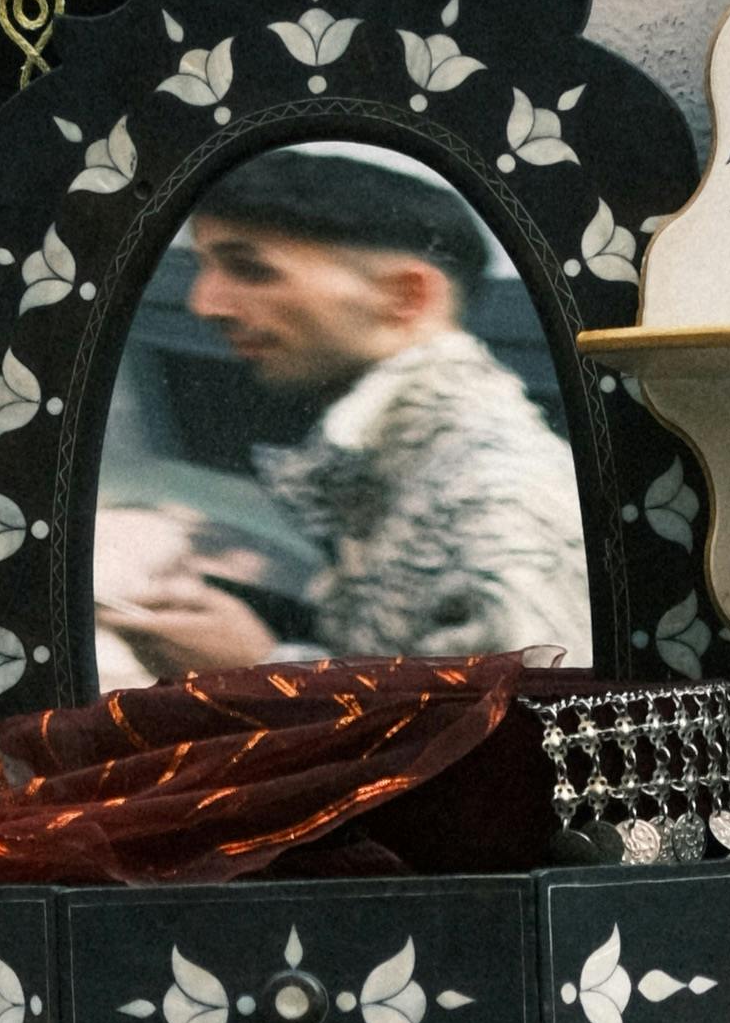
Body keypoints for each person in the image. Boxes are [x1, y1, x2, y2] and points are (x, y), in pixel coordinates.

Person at [94, 146, 589, 676]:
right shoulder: (409, 460)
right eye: (205, 266)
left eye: (250, 269)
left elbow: (524, 743)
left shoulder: (500, 500)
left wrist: (264, 670)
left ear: (406, 297)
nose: (203, 303)